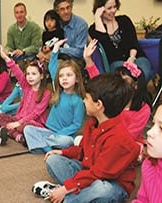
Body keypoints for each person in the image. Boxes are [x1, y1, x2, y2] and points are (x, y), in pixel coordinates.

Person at [35, 73, 140, 202]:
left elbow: (99, 174)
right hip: (91, 171)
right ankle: (77, 193)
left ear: (98, 105)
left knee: (102, 190)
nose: (83, 101)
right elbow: (83, 151)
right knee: (54, 160)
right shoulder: (92, 122)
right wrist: (63, 152)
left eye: (86, 98)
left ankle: (68, 197)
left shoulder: (118, 139)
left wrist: (66, 188)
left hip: (112, 183)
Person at [84, 39, 151, 161]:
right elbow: (99, 85)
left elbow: (130, 136)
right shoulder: (114, 95)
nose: (118, 85)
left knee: (130, 154)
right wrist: (88, 60)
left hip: (126, 141)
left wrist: (110, 144)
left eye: (123, 81)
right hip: (108, 136)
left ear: (136, 85)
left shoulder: (143, 108)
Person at [24, 39, 85, 154]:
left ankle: (41, 146)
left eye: (69, 75)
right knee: (28, 129)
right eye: (61, 76)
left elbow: (76, 125)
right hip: (48, 131)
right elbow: (52, 67)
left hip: (63, 136)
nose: (64, 78)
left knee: (67, 142)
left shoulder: (78, 101)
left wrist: (58, 134)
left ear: (77, 79)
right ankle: (47, 149)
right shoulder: (58, 90)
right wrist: (55, 49)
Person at [0, 45, 51, 145]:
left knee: (26, 127)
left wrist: (18, 123)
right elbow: (17, 72)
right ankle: (19, 136)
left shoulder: (46, 93)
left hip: (33, 122)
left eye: (34, 74)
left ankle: (13, 132)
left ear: (42, 76)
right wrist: (5, 58)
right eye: (28, 74)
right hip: (19, 118)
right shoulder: (26, 86)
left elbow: (36, 114)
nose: (30, 77)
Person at [88, 0, 152, 80]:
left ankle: (140, 91)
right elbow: (106, 43)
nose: (113, 10)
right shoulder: (93, 29)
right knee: (125, 78)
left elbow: (134, 42)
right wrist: (97, 17)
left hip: (136, 57)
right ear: (100, 9)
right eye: (109, 8)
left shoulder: (124, 20)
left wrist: (131, 58)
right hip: (116, 62)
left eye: (115, 7)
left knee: (143, 73)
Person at [132, 104, 162, 203]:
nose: (149, 132)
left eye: (161, 128)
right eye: (153, 124)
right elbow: (142, 200)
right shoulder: (149, 165)